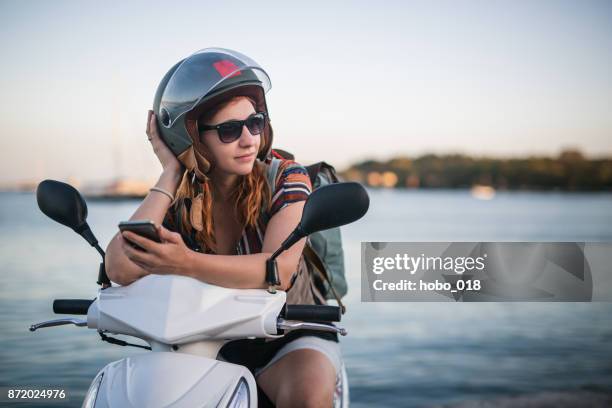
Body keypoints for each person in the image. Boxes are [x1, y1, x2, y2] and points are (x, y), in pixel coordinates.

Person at [105, 48, 343, 407]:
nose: (249, 139)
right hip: (204, 338)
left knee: (306, 400)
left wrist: (184, 262)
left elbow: (278, 270)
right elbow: (118, 267)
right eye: (230, 130)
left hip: (288, 335)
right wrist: (170, 174)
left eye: (256, 122)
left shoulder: (286, 176)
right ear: (194, 139)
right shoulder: (180, 197)